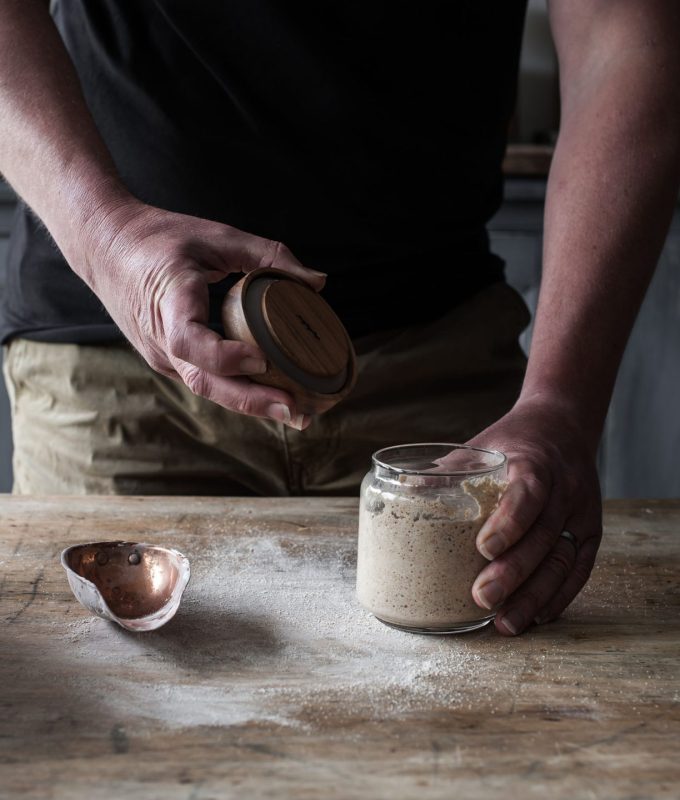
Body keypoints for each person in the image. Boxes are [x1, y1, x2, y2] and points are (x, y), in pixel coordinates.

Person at [1, 1, 679, 636]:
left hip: (445, 379)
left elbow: (624, 33)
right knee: (110, 685)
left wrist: (560, 401)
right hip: (116, 365)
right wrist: (102, 229)